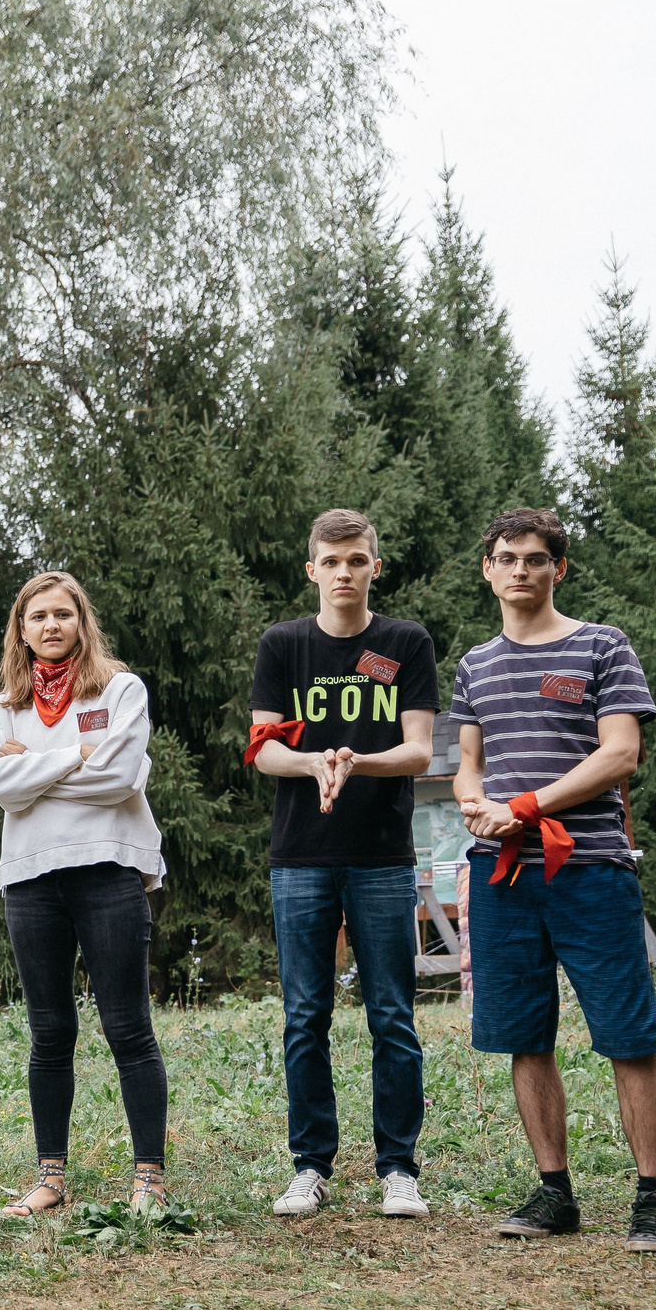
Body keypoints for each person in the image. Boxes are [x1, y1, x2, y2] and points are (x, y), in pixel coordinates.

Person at [450, 507, 656, 1253]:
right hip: (503, 874)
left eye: (536, 558)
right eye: (508, 558)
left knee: (628, 1034)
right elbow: (469, 765)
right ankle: (555, 1192)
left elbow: (620, 755)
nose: (521, 569)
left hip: (591, 869)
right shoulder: (475, 665)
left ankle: (653, 1198)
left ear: (558, 569)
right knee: (524, 1036)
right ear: (488, 570)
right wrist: (476, 807)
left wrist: (524, 807)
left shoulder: (602, 646)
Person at [248, 510, 439, 1220]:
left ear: (374, 568)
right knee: (305, 1015)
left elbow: (419, 750)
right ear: (312, 571)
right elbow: (264, 748)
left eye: (357, 560)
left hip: (382, 856)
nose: (344, 573)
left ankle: (399, 1169)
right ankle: (310, 1166)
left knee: (392, 1015)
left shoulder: (405, 642)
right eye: (331, 562)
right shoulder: (283, 644)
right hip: (300, 856)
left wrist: (355, 761)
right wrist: (313, 763)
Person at [0, 572, 172, 1220]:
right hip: (30, 879)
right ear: (21, 629)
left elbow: (119, 778)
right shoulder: (4, 708)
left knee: (127, 1026)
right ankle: (50, 1178)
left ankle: (149, 1179)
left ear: (82, 622)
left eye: (63, 613)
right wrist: (75, 754)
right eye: (38, 616)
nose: (51, 625)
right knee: (50, 1031)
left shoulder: (120, 690)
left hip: (108, 871)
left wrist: (30, 765)